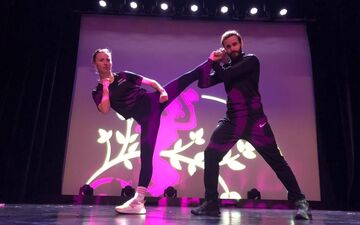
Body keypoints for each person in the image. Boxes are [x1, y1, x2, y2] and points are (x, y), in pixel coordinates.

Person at [190, 30, 312, 220]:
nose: (232, 49)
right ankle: (212, 203)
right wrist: (209, 61)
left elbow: (229, 76)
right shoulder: (226, 68)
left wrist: (216, 63)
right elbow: (203, 84)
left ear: (241, 43)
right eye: (228, 46)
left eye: (234, 44)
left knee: (277, 162)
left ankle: (300, 202)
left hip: (255, 122)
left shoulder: (251, 61)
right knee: (211, 154)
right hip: (233, 121)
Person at [91, 48, 215, 214]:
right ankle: (139, 201)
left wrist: (162, 92)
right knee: (146, 157)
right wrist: (106, 87)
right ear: (95, 64)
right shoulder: (98, 91)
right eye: (102, 60)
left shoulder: (124, 76)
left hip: (153, 102)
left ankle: (212, 60)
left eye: (108, 59)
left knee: (185, 79)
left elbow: (151, 83)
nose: (106, 63)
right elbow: (105, 109)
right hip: (146, 119)